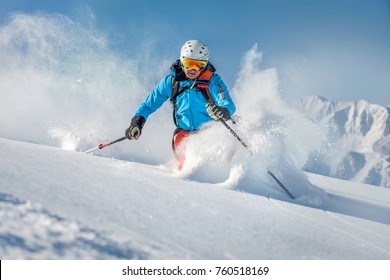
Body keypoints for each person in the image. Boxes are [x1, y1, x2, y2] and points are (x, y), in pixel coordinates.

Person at [125, 40, 236, 170]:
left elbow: (228, 104)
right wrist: (137, 122)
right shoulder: (171, 82)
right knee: (181, 143)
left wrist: (222, 111)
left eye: (199, 65)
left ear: (205, 65)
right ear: (182, 61)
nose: (193, 69)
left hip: (211, 130)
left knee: (216, 156)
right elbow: (149, 104)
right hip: (185, 132)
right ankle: (186, 178)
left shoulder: (212, 81)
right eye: (189, 63)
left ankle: (228, 173)